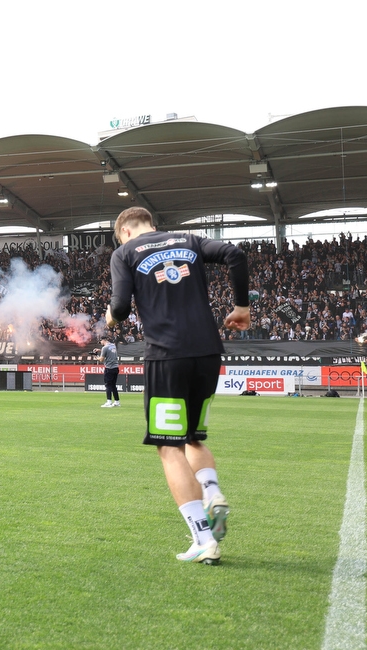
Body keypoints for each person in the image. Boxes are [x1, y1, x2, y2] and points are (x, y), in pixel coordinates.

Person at [106, 206, 250, 565]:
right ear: (151, 223)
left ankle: (204, 539)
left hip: (166, 357)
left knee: (167, 447)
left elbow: (122, 308)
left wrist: (110, 314)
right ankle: (212, 491)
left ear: (124, 231)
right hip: (207, 352)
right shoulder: (189, 240)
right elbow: (235, 254)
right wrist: (241, 307)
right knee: (192, 438)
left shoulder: (124, 253)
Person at [96, 336, 120, 407]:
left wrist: (96, 357)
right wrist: (100, 350)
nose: (101, 343)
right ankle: (117, 401)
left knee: (108, 385)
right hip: (116, 367)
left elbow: (101, 360)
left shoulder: (104, 348)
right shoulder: (113, 345)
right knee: (113, 386)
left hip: (109, 368)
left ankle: (109, 401)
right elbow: (109, 351)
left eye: (100, 341)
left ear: (103, 340)